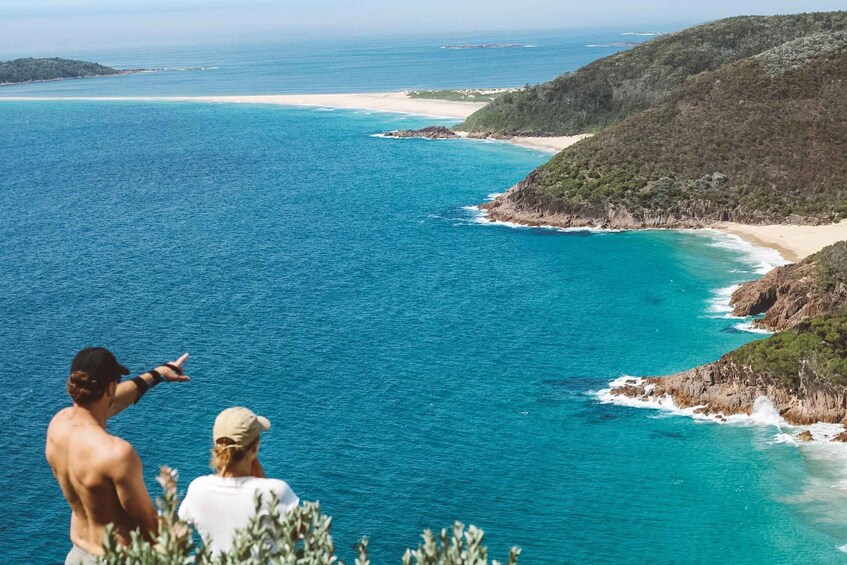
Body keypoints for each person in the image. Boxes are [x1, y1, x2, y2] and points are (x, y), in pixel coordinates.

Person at [45, 347, 191, 565]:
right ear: (110, 387)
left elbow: (112, 403)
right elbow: (149, 525)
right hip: (115, 559)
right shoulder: (116, 454)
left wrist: (158, 374)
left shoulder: (58, 426)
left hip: (77, 555)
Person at [178, 406, 299, 554]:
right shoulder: (276, 491)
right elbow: (299, 533)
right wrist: (262, 479)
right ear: (254, 448)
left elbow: (179, 527)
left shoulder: (198, 488)